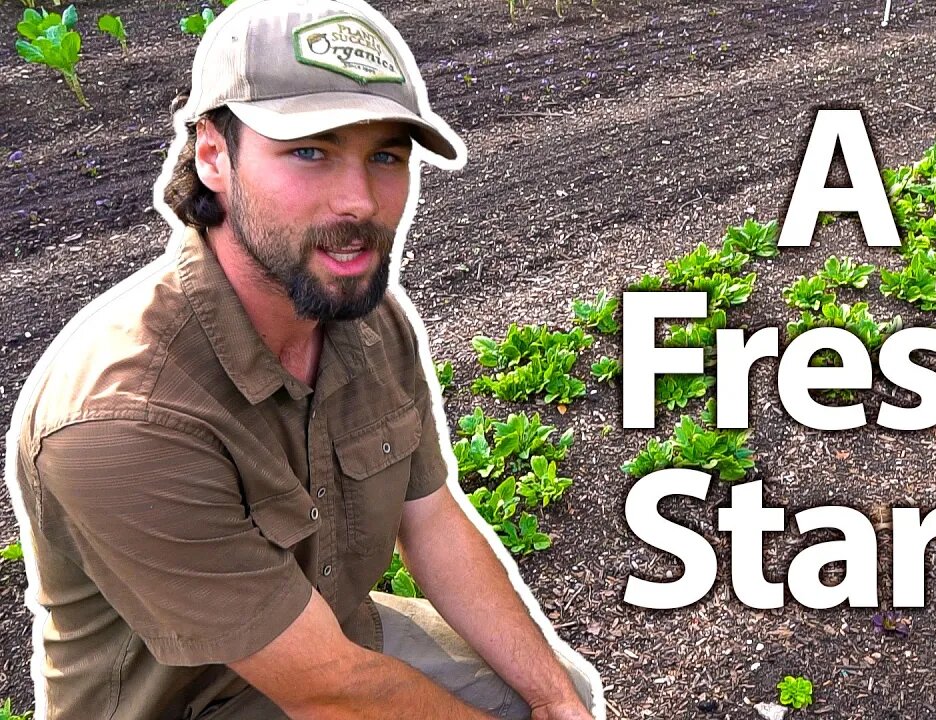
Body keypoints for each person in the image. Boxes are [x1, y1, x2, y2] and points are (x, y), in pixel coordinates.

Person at [5, 0, 601, 718]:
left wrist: (556, 701)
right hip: (195, 705)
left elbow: (430, 518)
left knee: (561, 690)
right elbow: (333, 692)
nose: (359, 201)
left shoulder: (364, 316)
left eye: (385, 155)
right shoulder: (122, 417)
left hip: (330, 641)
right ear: (213, 155)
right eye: (310, 150)